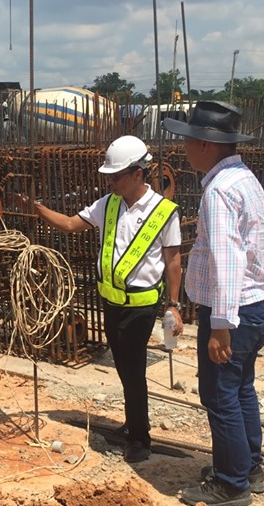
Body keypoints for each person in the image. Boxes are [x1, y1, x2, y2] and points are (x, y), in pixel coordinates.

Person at [29, 135, 183, 463]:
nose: (110, 181)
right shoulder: (108, 204)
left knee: (134, 370)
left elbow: (172, 260)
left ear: (138, 174)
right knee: (125, 368)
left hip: (141, 307)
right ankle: (133, 421)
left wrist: (174, 304)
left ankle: (140, 439)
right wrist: (38, 209)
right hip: (111, 304)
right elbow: (70, 224)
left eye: (116, 176)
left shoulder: (163, 212)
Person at [162, 101, 264, 506]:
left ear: (206, 145)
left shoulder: (220, 191)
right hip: (255, 305)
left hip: (233, 311)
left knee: (219, 395)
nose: (185, 149)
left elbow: (227, 260)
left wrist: (222, 325)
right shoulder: (246, 180)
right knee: (241, 389)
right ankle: (248, 468)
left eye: (189, 141)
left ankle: (230, 483)